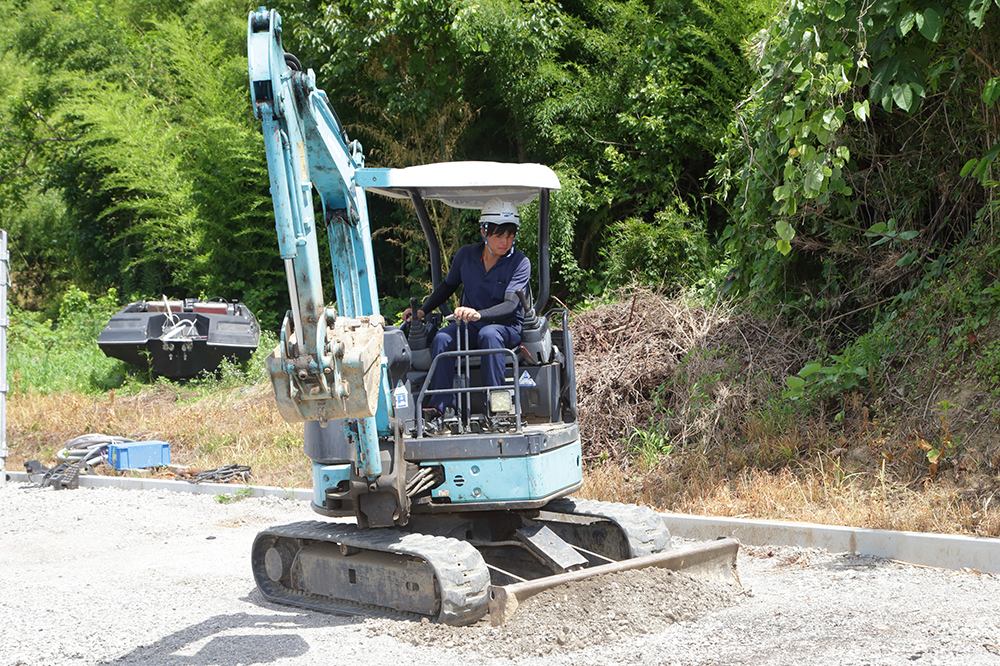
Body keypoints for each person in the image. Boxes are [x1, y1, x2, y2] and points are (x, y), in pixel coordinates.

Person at [404, 198, 529, 423]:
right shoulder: (466, 255)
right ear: (484, 231)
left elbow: (511, 304)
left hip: (506, 327)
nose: (506, 242)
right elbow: (448, 286)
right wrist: (422, 311)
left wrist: (479, 314)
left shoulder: (520, 263)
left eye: (510, 236)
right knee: (442, 337)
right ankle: (441, 408)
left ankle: (497, 408)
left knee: (489, 334)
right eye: (499, 235)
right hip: (471, 325)